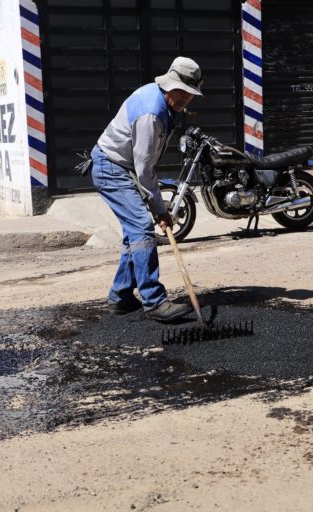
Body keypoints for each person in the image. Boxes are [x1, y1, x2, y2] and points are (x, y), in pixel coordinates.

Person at [91, 57, 203, 322]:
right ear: (170, 85)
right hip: (111, 168)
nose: (187, 98)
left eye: (191, 94)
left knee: (134, 232)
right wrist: (160, 210)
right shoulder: (150, 114)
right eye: (184, 92)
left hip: (122, 167)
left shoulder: (165, 103)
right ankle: (154, 301)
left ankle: (120, 297)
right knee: (142, 227)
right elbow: (144, 171)